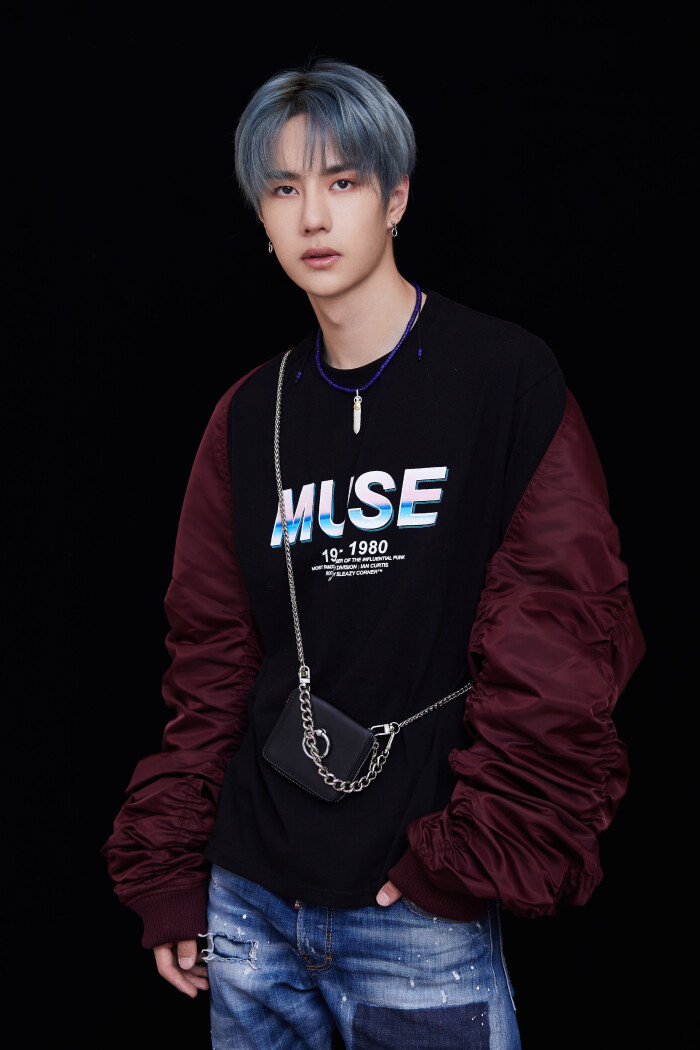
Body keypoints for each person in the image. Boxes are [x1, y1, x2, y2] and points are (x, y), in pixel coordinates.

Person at [103, 59, 645, 1050]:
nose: (313, 216)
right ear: (261, 219)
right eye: (283, 189)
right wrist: (174, 872)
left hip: (413, 909)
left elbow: (562, 638)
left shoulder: (503, 378)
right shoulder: (248, 416)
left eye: (343, 181)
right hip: (249, 908)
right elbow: (210, 662)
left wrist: (463, 861)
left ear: (395, 197)